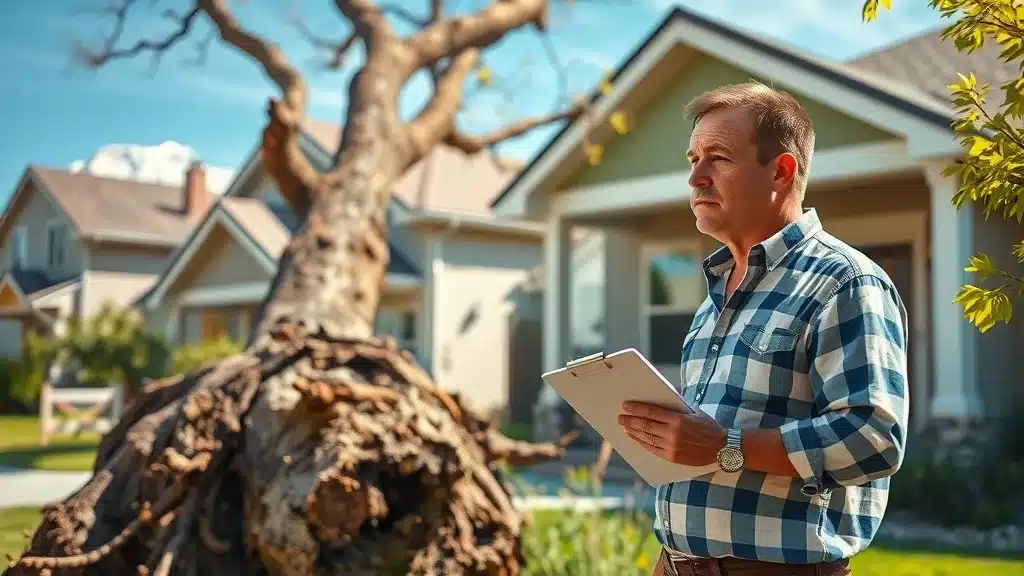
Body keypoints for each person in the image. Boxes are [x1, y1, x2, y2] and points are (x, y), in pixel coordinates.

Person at [617, 82, 909, 576]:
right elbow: (707, 437)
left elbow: (873, 437)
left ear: (781, 170)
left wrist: (725, 447)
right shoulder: (714, 297)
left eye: (718, 158)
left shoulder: (844, 282)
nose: (695, 178)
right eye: (692, 159)